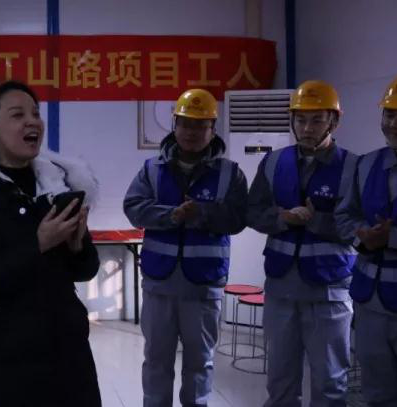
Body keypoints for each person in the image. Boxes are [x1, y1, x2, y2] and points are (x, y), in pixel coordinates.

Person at [0, 81, 101, 407]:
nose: (33, 122)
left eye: (35, 113)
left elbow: (86, 270)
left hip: (69, 353)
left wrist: (77, 247)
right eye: (18, 115)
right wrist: (38, 245)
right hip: (9, 359)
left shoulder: (56, 184)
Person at [123, 88, 248, 407]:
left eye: (200, 125)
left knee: (199, 363)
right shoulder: (152, 169)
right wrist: (171, 215)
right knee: (156, 361)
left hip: (203, 286)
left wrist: (202, 213)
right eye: (185, 124)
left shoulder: (230, 173)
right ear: (174, 125)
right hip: (160, 284)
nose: (191, 132)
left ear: (212, 129)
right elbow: (133, 207)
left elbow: (238, 218)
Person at [246, 80, 358, 407]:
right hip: (281, 288)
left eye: (317, 120)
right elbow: (252, 212)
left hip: (329, 291)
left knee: (330, 383)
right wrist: (282, 218)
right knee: (280, 381)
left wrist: (316, 220)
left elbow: (360, 225)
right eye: (300, 119)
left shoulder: (354, 167)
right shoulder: (273, 162)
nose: (307, 128)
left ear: (334, 121)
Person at [334, 73, 397, 407]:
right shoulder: (366, 164)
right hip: (370, 306)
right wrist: (361, 236)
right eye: (389, 114)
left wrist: (394, 239)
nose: (393, 124)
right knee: (378, 396)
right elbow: (343, 216)